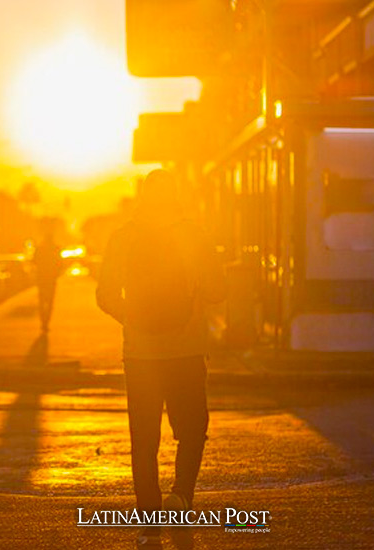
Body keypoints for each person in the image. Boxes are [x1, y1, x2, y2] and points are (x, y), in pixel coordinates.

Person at [96, 169, 226, 548]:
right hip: (186, 351)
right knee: (192, 430)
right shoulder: (194, 235)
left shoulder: (123, 237)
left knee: (144, 440)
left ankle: (149, 527)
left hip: (140, 354)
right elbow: (218, 292)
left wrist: (132, 317)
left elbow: (104, 295)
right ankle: (181, 496)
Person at [32, 227, 63, 332]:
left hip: (42, 277)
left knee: (42, 301)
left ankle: (43, 322)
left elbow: (34, 261)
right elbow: (60, 263)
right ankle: (46, 322)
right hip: (51, 278)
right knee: (49, 301)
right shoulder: (56, 249)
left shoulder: (39, 248)